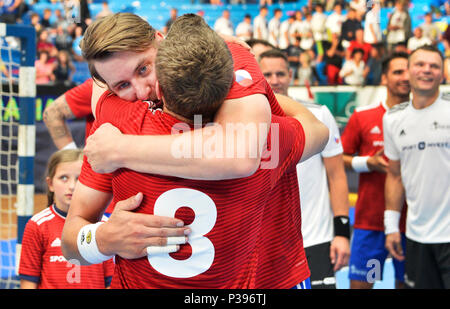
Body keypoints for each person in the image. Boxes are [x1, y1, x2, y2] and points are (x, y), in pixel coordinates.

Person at [62, 13, 328, 288]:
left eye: (143, 69)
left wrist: (120, 151)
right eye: (122, 85)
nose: (143, 91)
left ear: (162, 44)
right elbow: (317, 131)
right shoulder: (265, 133)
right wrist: (260, 93)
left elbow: (72, 245)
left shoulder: (114, 128)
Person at [258, 49, 351, 289]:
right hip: (269, 245)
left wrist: (341, 232)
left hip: (316, 239)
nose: (275, 80)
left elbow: (337, 176)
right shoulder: (245, 123)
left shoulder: (318, 114)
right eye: (267, 74)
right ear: (257, 75)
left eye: (280, 73)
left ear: (291, 75)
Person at [341, 52, 411, 289]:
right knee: (362, 286)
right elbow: (339, 158)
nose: (405, 77)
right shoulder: (363, 116)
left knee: (407, 284)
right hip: (370, 223)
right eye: (398, 72)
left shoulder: (425, 117)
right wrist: (368, 163)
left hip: (413, 225)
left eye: (408, 70)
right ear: (384, 78)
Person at [383, 45, 450, 289]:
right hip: (416, 237)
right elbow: (394, 176)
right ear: (408, 71)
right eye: (420, 65)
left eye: (434, 66)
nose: (426, 71)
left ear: (443, 74)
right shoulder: (392, 118)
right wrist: (391, 227)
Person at [18, 149, 114, 289]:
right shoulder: (37, 225)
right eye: (64, 178)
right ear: (50, 184)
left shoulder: (103, 226)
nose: (72, 186)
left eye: (79, 178)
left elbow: (110, 281)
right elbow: (28, 282)